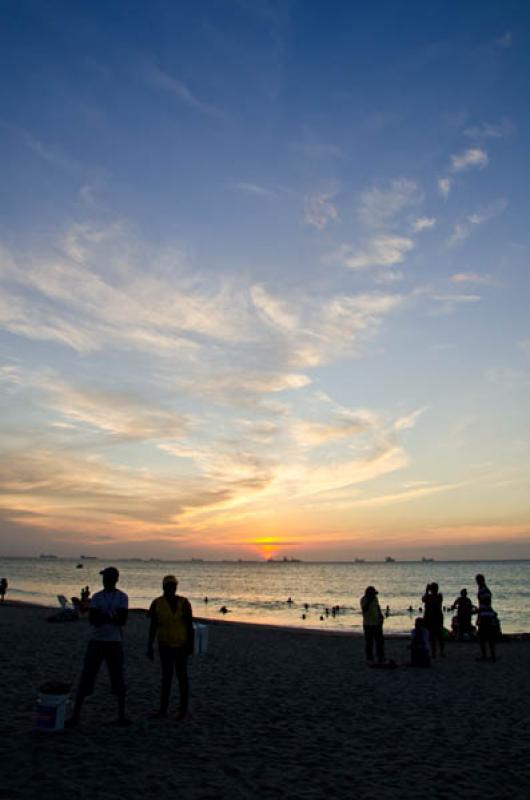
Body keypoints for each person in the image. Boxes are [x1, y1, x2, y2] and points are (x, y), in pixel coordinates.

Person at [67, 566, 129, 727]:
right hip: (97, 640)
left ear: (114, 579)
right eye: (104, 577)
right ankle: (76, 715)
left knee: (117, 677)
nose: (104, 580)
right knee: (87, 675)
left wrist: (104, 616)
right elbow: (93, 620)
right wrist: (110, 616)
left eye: (107, 577)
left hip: (114, 641)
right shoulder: (96, 597)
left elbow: (122, 620)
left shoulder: (122, 597)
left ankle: (121, 715)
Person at [147, 575, 194, 721]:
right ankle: (163, 709)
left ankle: (183, 709)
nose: (171, 588)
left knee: (182, 677)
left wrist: (190, 645)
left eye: (173, 586)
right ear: (163, 587)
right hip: (164, 645)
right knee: (166, 677)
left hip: (181, 645)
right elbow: (153, 625)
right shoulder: (157, 603)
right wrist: (149, 645)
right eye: (168, 586)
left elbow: (189, 625)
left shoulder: (184, 603)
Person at [360, 586, 385, 664]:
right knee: (369, 642)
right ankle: (370, 658)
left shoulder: (375, 599)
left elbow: (378, 607)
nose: (374, 595)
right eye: (373, 594)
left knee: (380, 641)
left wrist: (381, 616)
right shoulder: (363, 599)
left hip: (377, 623)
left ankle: (380, 657)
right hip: (368, 624)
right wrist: (369, 601)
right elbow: (364, 609)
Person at [422, 582, 445, 658]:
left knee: (435, 636)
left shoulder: (437, 596)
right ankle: (437, 652)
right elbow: (424, 599)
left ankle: (437, 652)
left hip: (433, 618)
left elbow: (424, 599)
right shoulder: (438, 596)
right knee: (437, 636)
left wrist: (426, 591)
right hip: (434, 618)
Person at [476, 594, 498, 662]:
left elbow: (480, 614)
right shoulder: (490, 608)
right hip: (489, 623)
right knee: (490, 640)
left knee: (483, 640)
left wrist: (478, 620)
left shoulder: (482, 608)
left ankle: (484, 656)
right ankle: (492, 656)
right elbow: (494, 615)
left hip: (484, 623)